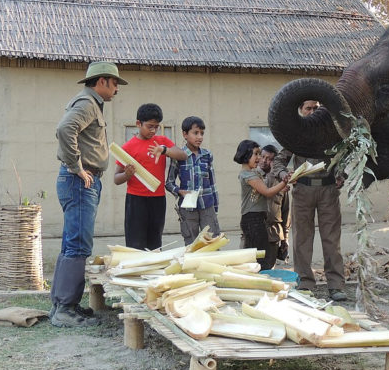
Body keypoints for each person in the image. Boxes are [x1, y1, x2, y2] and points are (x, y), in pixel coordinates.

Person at [51, 61, 127, 327]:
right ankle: (65, 310)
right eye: (115, 82)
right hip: (79, 181)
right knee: (78, 245)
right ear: (102, 81)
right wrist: (77, 167)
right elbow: (64, 130)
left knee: (72, 243)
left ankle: (62, 305)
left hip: (82, 180)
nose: (117, 88)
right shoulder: (86, 103)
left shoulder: (91, 103)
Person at [271, 100, 347, 301]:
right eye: (308, 109)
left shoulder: (330, 134)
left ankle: (336, 285)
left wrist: (341, 174)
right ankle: (305, 283)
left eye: (317, 108)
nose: (313, 112)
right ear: (301, 111)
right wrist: (282, 174)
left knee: (332, 239)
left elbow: (343, 158)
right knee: (302, 238)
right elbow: (278, 161)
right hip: (303, 191)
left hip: (328, 191)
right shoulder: (296, 136)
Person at [114, 103, 187, 251]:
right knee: (136, 243)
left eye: (156, 126)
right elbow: (116, 178)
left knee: (155, 242)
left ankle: (154, 271)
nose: (153, 130)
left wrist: (164, 150)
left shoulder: (162, 142)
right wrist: (127, 175)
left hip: (158, 199)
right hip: (136, 200)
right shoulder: (128, 147)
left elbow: (183, 155)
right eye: (149, 126)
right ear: (138, 124)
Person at [233, 140, 289, 270]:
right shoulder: (248, 175)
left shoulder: (254, 173)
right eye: (256, 154)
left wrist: (280, 188)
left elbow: (264, 191)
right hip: (253, 220)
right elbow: (267, 192)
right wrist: (284, 182)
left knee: (260, 257)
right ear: (246, 156)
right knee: (258, 260)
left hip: (258, 219)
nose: (260, 159)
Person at [165, 116, 220, 245]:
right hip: (188, 208)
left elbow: (213, 184)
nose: (199, 137)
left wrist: (215, 207)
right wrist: (180, 192)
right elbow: (169, 183)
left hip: (207, 206)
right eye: (195, 133)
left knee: (212, 243)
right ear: (185, 134)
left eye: (202, 133)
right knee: (191, 244)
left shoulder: (207, 155)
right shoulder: (178, 155)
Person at [258, 144, 290, 269]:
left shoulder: (281, 183)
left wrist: (285, 238)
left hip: (273, 233)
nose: (265, 161)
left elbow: (286, 211)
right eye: (262, 157)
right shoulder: (253, 176)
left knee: (268, 270)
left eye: (270, 159)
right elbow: (265, 190)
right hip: (255, 231)